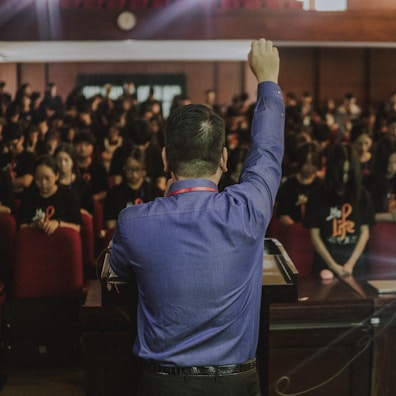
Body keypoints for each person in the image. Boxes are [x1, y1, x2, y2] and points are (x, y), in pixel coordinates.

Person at [108, 39, 284, 396]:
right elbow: (267, 152)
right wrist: (268, 80)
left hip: (160, 384)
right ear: (223, 159)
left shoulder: (133, 222)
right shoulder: (247, 209)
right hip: (237, 383)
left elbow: (116, 276)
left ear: (164, 160)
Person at [303, 142, 375, 280]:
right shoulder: (317, 196)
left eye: (349, 173)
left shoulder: (363, 195)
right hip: (324, 266)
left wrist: (350, 264)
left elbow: (365, 232)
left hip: (356, 267)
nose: (345, 177)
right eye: (342, 172)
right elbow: (315, 236)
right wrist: (333, 265)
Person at [18, 154, 81, 235]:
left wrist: (58, 223)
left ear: (56, 175)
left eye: (47, 178)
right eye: (38, 179)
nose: (43, 183)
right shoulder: (28, 196)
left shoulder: (68, 196)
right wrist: (34, 225)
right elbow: (22, 227)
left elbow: (77, 227)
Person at [103, 147, 163, 231]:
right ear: (124, 168)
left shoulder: (156, 193)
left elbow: (160, 224)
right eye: (130, 169)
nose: (133, 173)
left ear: (144, 170)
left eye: (137, 169)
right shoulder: (113, 194)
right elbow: (111, 227)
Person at [276, 141, 323, 226]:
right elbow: (283, 214)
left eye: (313, 164)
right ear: (300, 162)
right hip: (292, 232)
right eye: (307, 163)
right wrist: (298, 230)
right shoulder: (289, 185)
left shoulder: (321, 185)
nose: (310, 168)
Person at [54, 142, 94, 216]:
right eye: (59, 160)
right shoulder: (51, 184)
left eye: (66, 160)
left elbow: (90, 214)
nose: (62, 163)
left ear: (72, 161)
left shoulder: (83, 185)